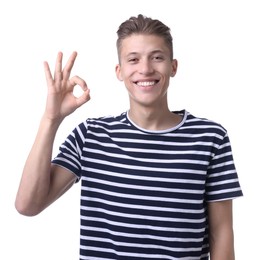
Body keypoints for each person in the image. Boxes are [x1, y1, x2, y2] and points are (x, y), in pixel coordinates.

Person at [15, 14, 243, 260]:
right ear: (119, 71)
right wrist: (51, 119)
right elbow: (28, 205)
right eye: (133, 59)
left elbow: (221, 234)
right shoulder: (91, 135)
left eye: (157, 57)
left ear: (173, 66)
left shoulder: (210, 138)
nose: (145, 68)